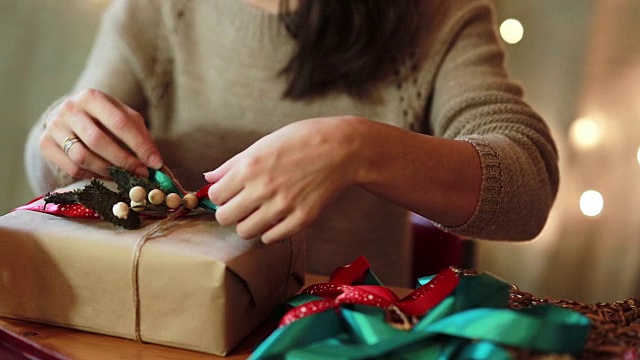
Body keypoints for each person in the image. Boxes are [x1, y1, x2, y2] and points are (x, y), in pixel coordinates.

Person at [24, 0, 559, 286]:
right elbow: (53, 167)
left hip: (346, 340)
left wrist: (356, 147)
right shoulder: (159, 9)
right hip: (168, 334)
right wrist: (61, 133)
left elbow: (528, 186)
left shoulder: (435, 13)